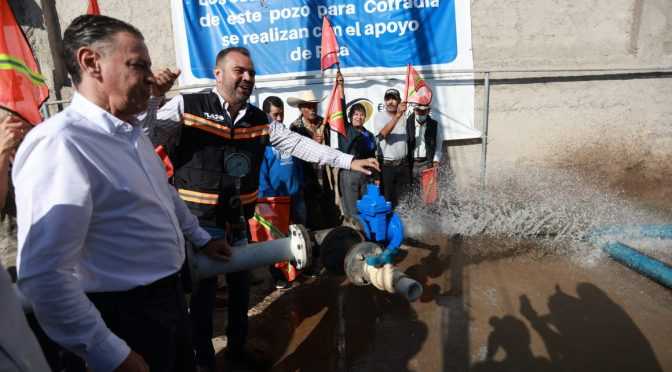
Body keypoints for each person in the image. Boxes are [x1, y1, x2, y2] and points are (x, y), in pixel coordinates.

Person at [13, 15, 232, 372]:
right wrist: (109, 352)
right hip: (125, 319)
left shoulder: (130, 133)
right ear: (90, 62)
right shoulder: (61, 144)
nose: (150, 76)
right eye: (137, 65)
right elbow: (44, 275)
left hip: (170, 302)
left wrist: (201, 238)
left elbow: (164, 195)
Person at [144, 46, 379, 371]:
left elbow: (299, 144)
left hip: (237, 221)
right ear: (218, 73)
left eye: (251, 73)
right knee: (204, 296)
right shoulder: (188, 105)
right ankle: (204, 360)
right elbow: (145, 136)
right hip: (196, 223)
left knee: (240, 288)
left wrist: (349, 160)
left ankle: (237, 347)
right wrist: (154, 98)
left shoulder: (259, 119)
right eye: (239, 70)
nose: (246, 77)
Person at [260, 96, 306, 289]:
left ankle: (298, 270)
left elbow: (298, 167)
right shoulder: (262, 142)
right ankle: (278, 276)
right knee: (277, 240)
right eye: (274, 115)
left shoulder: (289, 136)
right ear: (266, 116)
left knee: (300, 236)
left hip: (296, 197)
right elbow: (262, 175)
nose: (279, 119)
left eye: (281, 114)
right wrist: (269, 201)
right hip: (275, 201)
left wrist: (301, 187)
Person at [287, 90, 341, 230]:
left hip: (325, 174)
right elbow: (295, 152)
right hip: (307, 176)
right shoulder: (295, 127)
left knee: (329, 210)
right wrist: (311, 143)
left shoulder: (324, 123)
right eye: (308, 106)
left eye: (314, 106)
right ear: (300, 108)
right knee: (311, 213)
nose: (312, 109)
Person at [334, 72, 379, 220]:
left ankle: (368, 238)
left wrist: (376, 177)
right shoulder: (345, 129)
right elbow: (340, 107)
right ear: (350, 116)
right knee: (352, 214)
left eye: (361, 114)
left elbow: (373, 157)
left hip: (367, 176)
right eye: (356, 114)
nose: (358, 117)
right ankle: (355, 238)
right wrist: (341, 86)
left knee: (368, 210)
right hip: (348, 175)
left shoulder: (369, 135)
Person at [373, 88, 409, 208]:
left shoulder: (405, 117)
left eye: (393, 99)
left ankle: (403, 226)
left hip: (403, 166)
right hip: (387, 167)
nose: (390, 102)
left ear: (399, 101)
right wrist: (398, 115)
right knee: (388, 202)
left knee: (404, 201)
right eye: (388, 99)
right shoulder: (379, 117)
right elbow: (384, 133)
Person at [406, 102, 443, 185]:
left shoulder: (434, 125)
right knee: (411, 191)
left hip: (426, 163)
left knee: (428, 193)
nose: (421, 113)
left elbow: (439, 144)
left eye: (423, 111)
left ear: (428, 110)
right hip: (411, 164)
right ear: (414, 110)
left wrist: (436, 160)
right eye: (418, 110)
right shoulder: (407, 124)